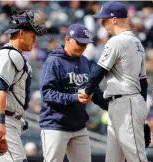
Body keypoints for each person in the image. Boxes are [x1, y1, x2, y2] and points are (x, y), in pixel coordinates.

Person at [79, 1, 148, 162]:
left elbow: (98, 71)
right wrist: (142, 110)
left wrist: (87, 91)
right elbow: (143, 82)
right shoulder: (137, 43)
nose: (101, 23)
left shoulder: (117, 41)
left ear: (114, 19)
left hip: (126, 104)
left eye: (104, 19)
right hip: (125, 104)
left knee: (137, 158)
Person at [0, 10, 48, 162]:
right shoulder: (8, 55)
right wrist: (0, 123)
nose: (35, 40)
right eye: (33, 35)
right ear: (21, 33)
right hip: (2, 121)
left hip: (7, 120)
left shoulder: (14, 55)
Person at [39, 23, 108, 162]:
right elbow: (47, 94)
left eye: (85, 44)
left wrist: (113, 108)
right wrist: (74, 97)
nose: (83, 47)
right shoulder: (53, 61)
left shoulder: (84, 61)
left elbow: (93, 89)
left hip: (79, 126)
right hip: (55, 125)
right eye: (80, 43)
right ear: (68, 39)